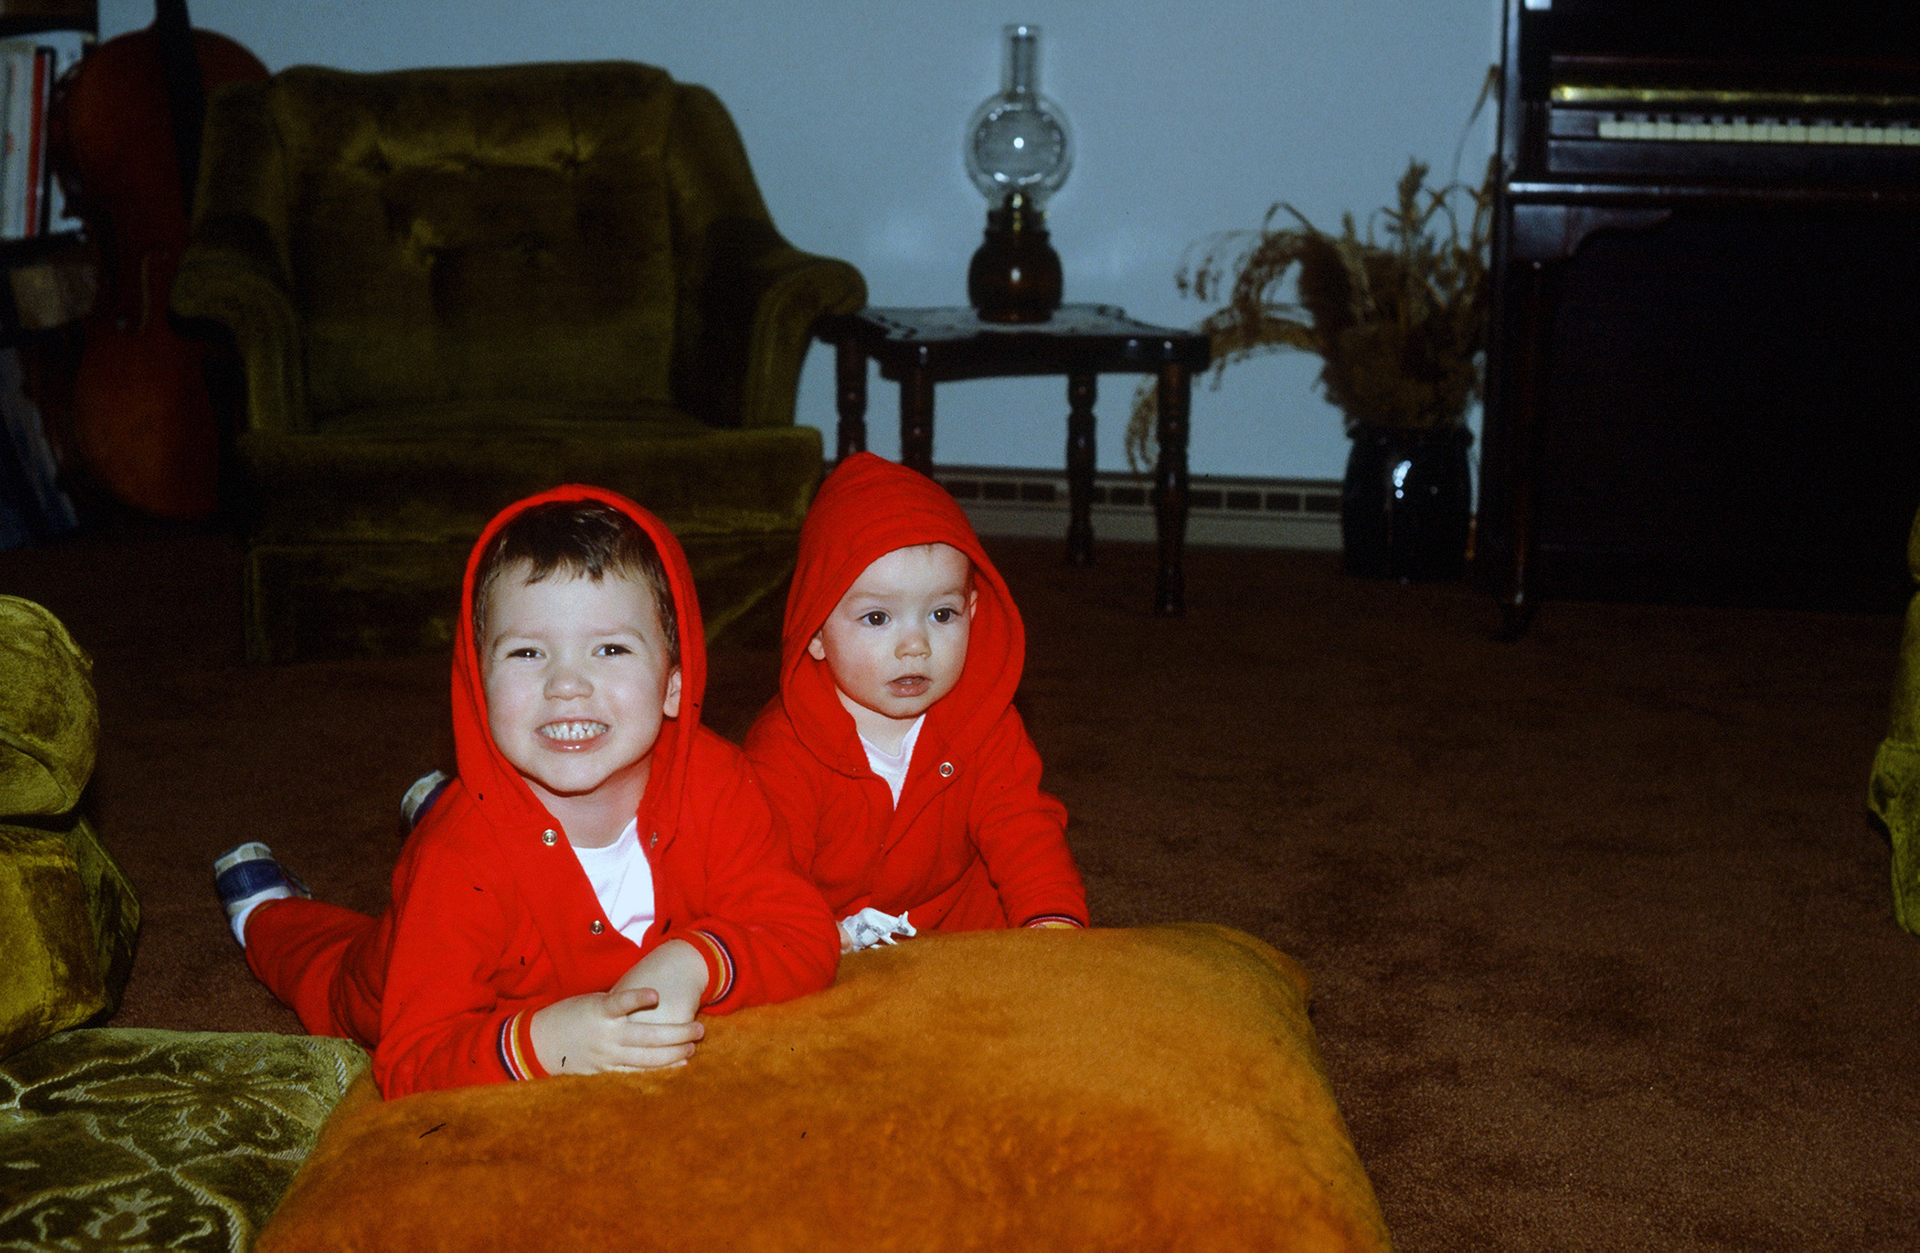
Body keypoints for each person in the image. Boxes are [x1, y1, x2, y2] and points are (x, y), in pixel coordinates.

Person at [214, 485, 840, 1097]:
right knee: (327, 971)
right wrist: (544, 1043)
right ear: (478, 684)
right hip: (395, 966)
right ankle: (266, 911)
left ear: (674, 686)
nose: (567, 684)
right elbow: (411, 1061)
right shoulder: (457, 860)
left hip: (489, 881)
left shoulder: (719, 778)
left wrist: (695, 961)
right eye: (527, 653)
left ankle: (434, 800)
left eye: (610, 648)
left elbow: (801, 930)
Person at [744, 453, 1088, 951]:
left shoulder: (986, 722)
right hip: (833, 944)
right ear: (814, 630)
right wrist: (806, 941)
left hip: (966, 941)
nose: (915, 646)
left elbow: (1024, 832)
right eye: (877, 618)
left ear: (972, 612)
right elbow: (770, 874)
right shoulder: (783, 748)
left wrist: (1052, 927)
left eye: (942, 615)